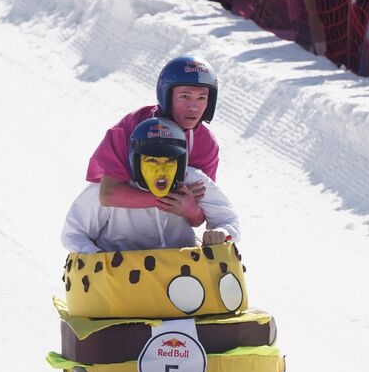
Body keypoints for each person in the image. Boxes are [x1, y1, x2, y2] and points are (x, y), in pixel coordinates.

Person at [63, 118, 240, 253]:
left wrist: (220, 234)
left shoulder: (192, 180)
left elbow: (228, 219)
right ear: (136, 161)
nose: (161, 170)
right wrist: (100, 259)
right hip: (120, 284)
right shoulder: (114, 185)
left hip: (182, 281)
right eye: (152, 161)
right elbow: (73, 232)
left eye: (170, 161)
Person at [86, 56, 221, 213]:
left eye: (201, 98)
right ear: (166, 95)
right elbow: (108, 195)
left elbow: (203, 212)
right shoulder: (131, 125)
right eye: (185, 96)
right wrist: (174, 198)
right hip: (119, 226)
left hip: (171, 232)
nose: (194, 108)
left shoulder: (206, 144)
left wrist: (190, 209)